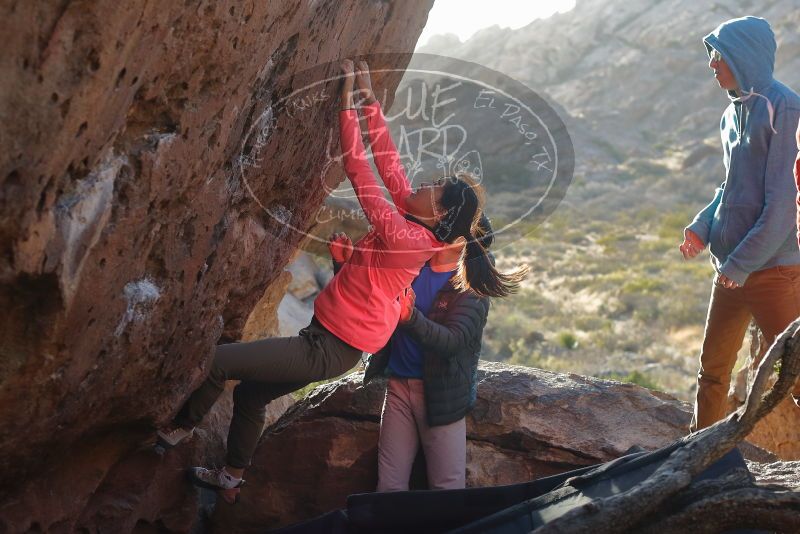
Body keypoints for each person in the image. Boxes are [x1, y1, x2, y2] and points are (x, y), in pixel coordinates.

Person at [155, 60, 508, 503]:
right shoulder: (414, 220)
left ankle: (174, 432)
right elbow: (388, 162)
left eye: (433, 188)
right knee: (250, 397)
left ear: (437, 214)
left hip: (327, 348)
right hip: (327, 338)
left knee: (218, 362)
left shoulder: (405, 235)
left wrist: (344, 107)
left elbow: (361, 171)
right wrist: (368, 100)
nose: (423, 183)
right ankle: (230, 479)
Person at [329, 214, 523, 491]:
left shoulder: (471, 286)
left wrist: (410, 318)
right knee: (388, 486)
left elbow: (453, 342)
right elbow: (369, 303)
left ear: (460, 241)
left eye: (443, 224)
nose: (431, 226)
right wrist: (344, 266)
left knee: (447, 490)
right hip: (397, 388)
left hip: (441, 397)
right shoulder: (412, 265)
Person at [680, 17, 800, 431]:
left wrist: (742, 263)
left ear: (743, 56)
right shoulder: (731, 114)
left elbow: (784, 202)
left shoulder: (784, 108)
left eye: (718, 54)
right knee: (711, 373)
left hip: (772, 273)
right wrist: (701, 225)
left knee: (797, 378)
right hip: (730, 270)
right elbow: (730, 187)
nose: (712, 63)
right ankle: (696, 459)